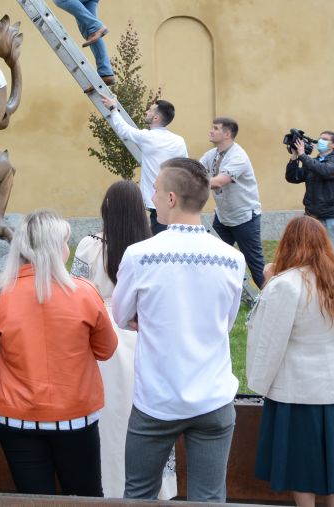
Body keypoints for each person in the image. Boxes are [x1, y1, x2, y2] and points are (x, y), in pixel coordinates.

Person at [112, 158, 244, 502]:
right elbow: (226, 323)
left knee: (139, 493)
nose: (152, 197)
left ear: (171, 198)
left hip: (157, 398)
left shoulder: (140, 255)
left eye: (156, 190)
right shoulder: (232, 258)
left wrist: (148, 320)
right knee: (209, 498)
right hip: (213, 395)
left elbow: (121, 315)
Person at [0, 210, 117, 497]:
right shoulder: (84, 293)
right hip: (75, 416)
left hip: (14, 416)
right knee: (86, 497)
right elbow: (106, 349)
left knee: (33, 499)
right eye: (66, 241)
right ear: (56, 248)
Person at [247, 216, 334, 507]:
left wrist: (260, 382)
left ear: (288, 245)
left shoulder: (284, 285)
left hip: (297, 389)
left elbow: (269, 338)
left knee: (301, 464)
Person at [72, 181, 176, 500]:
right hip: (143, 336)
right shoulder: (153, 249)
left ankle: (109, 486)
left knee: (108, 420)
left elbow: (76, 293)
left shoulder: (88, 246)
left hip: (101, 340)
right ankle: (154, 489)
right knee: (145, 418)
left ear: (107, 209)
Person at [100, 95, 188, 234]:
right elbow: (186, 168)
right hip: (176, 200)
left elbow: (124, 129)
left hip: (158, 203)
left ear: (156, 118)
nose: (146, 112)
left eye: (150, 110)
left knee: (160, 239)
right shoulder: (179, 141)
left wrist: (113, 108)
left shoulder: (148, 137)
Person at [199, 117, 266, 288]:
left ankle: (271, 297)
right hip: (223, 217)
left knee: (256, 267)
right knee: (214, 260)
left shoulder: (238, 156)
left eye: (215, 128)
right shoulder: (212, 154)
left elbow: (218, 182)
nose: (211, 131)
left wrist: (191, 181)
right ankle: (219, 294)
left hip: (244, 218)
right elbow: (195, 169)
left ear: (227, 134)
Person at [285, 130, 334, 281]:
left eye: (325, 139)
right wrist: (295, 156)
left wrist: (303, 155)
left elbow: (324, 171)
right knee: (309, 255)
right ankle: (317, 287)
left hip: (331, 216)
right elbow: (293, 177)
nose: (320, 141)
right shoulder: (313, 162)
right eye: (320, 138)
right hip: (312, 216)